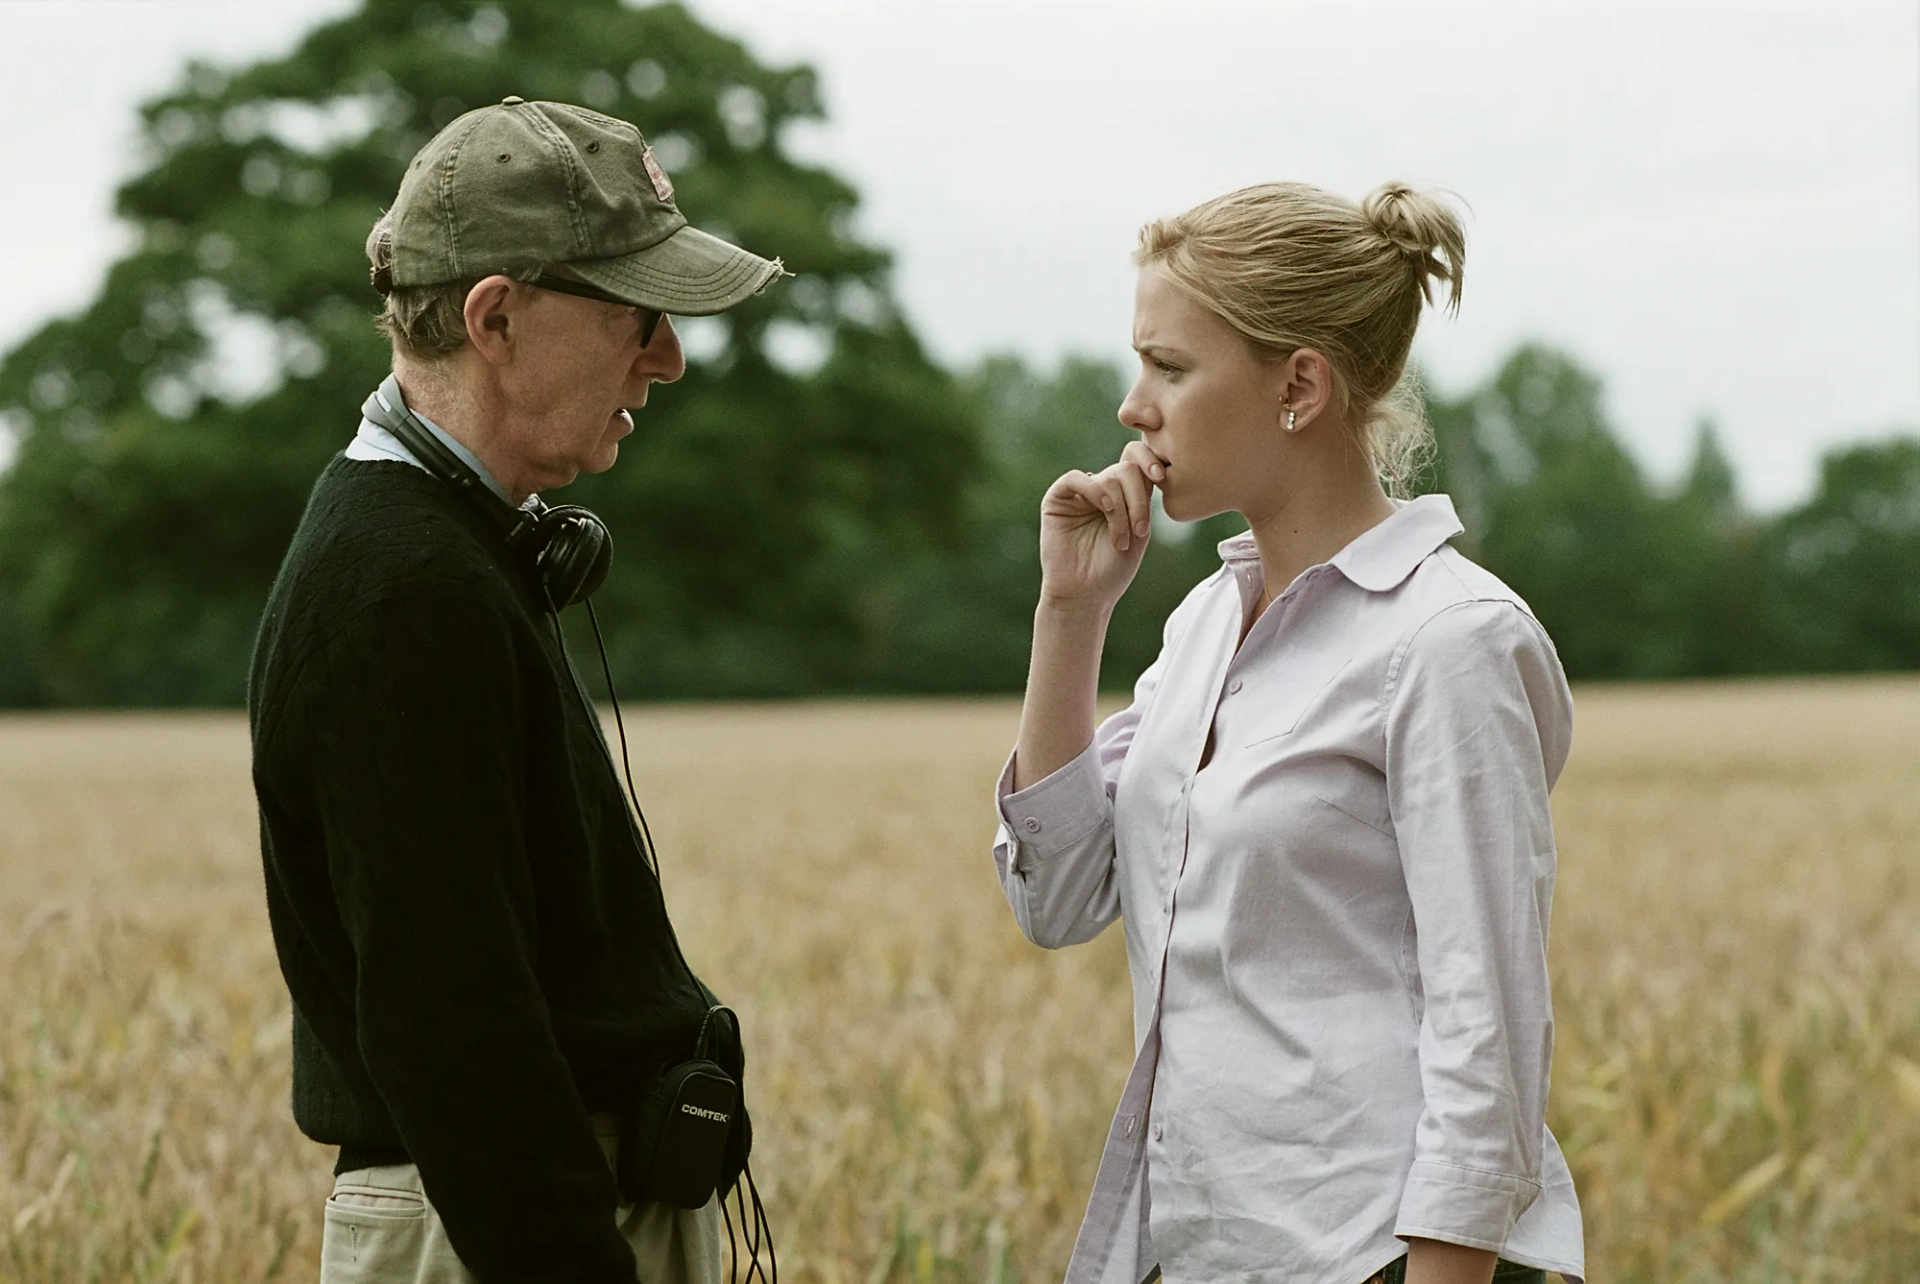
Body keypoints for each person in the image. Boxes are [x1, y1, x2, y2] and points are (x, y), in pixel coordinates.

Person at [991, 182, 1585, 1284]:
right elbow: (1058, 896)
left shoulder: (1449, 641)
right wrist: (1069, 615)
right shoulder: (1206, 624)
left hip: (1371, 1259)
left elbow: (1489, 1027)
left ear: (1299, 385)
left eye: (1169, 366)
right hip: (1194, 1254)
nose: (1133, 405)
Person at [249, 96, 783, 1283]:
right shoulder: (401, 596)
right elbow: (452, 1029)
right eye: (638, 313)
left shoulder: (451, 552)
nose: (670, 354)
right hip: (509, 1237)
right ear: (496, 316)